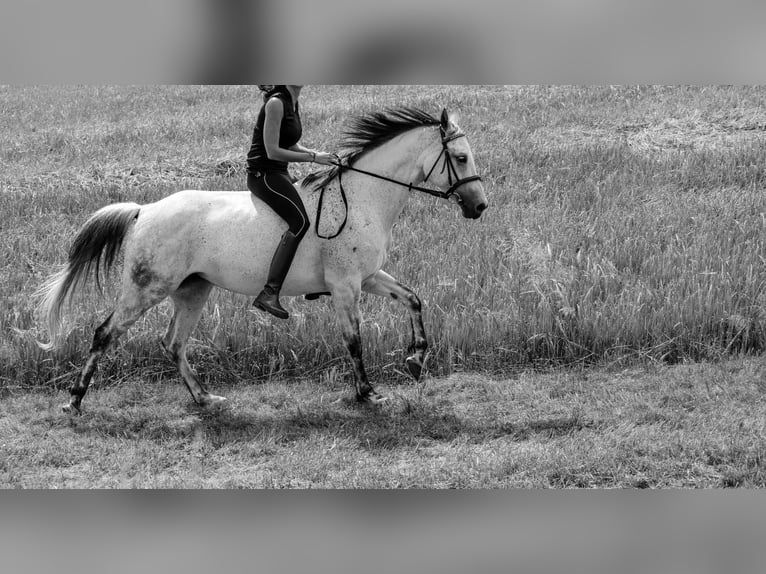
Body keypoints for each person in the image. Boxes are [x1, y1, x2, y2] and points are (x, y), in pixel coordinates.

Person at [246, 85, 336, 319]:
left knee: (317, 207)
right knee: (299, 221)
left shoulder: (292, 101)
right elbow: (273, 151)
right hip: (263, 175)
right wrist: (314, 157)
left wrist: (318, 155)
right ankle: (269, 293)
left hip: (280, 172)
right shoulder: (276, 103)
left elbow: (289, 144)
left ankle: (313, 284)